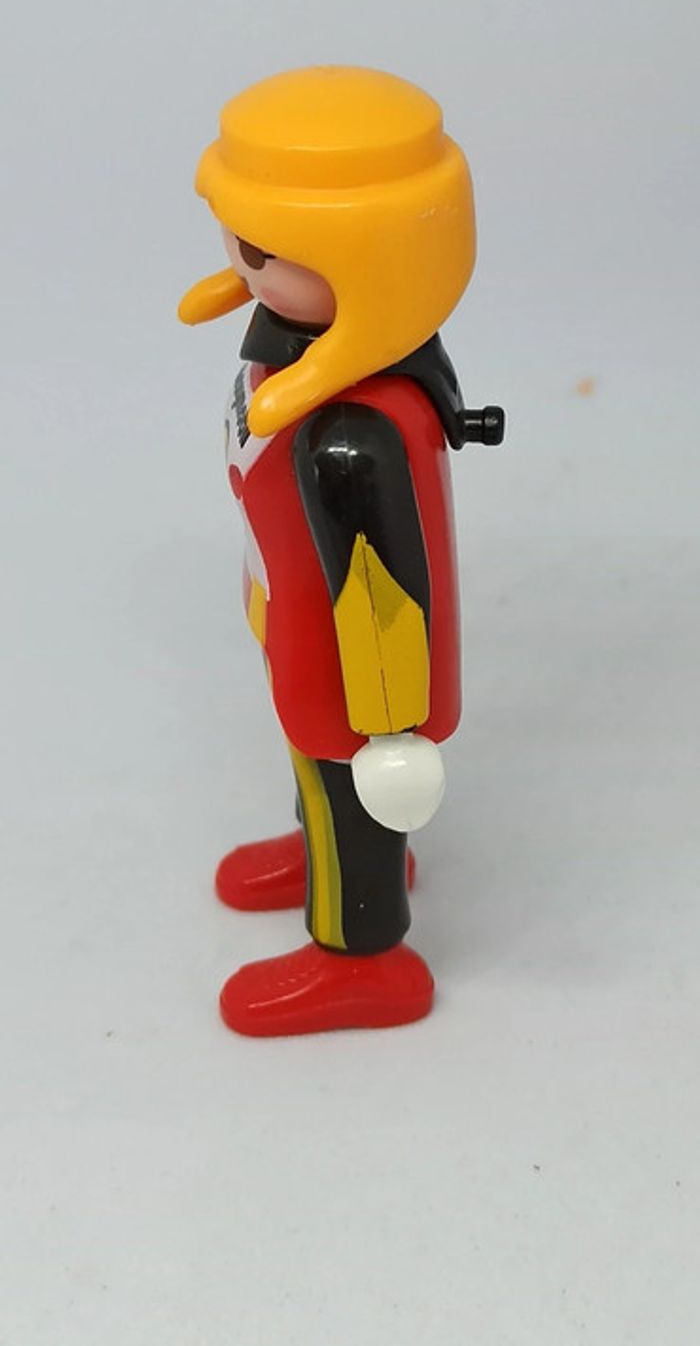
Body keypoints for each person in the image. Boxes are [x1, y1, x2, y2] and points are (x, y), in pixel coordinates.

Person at [180, 65, 478, 1036]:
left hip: (355, 672)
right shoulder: (298, 364)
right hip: (295, 618)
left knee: (346, 774)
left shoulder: (350, 432)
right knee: (315, 771)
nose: (240, 264)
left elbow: (386, 585)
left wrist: (393, 728)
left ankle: (364, 954)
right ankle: (333, 849)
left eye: (263, 250)